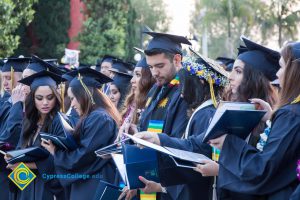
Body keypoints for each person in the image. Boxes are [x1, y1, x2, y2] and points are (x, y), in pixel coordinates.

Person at [207, 41, 300, 199]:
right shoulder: (289, 114)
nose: (277, 74)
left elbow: (263, 169)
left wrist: (228, 144)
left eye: (283, 67)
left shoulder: (291, 115)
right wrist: (272, 118)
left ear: (294, 72)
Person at [123, 31, 191, 200]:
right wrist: (135, 130)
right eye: (151, 67)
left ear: (177, 60)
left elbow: (181, 143)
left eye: (160, 66)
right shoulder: (155, 90)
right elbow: (149, 127)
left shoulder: (186, 93)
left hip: (168, 186)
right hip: (148, 181)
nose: (154, 73)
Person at [42, 68, 121, 200]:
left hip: (95, 184)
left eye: (73, 98)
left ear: (85, 95)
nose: (71, 104)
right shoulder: (94, 116)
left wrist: (56, 152)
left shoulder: (100, 118)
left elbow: (85, 155)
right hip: (89, 182)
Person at [5, 70, 66, 200]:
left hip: (47, 188)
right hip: (26, 183)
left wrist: (25, 165)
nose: (45, 102)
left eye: (50, 97)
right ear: (32, 98)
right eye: (39, 98)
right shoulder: (29, 122)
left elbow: (62, 161)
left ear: (56, 97)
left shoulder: (60, 123)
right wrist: (12, 159)